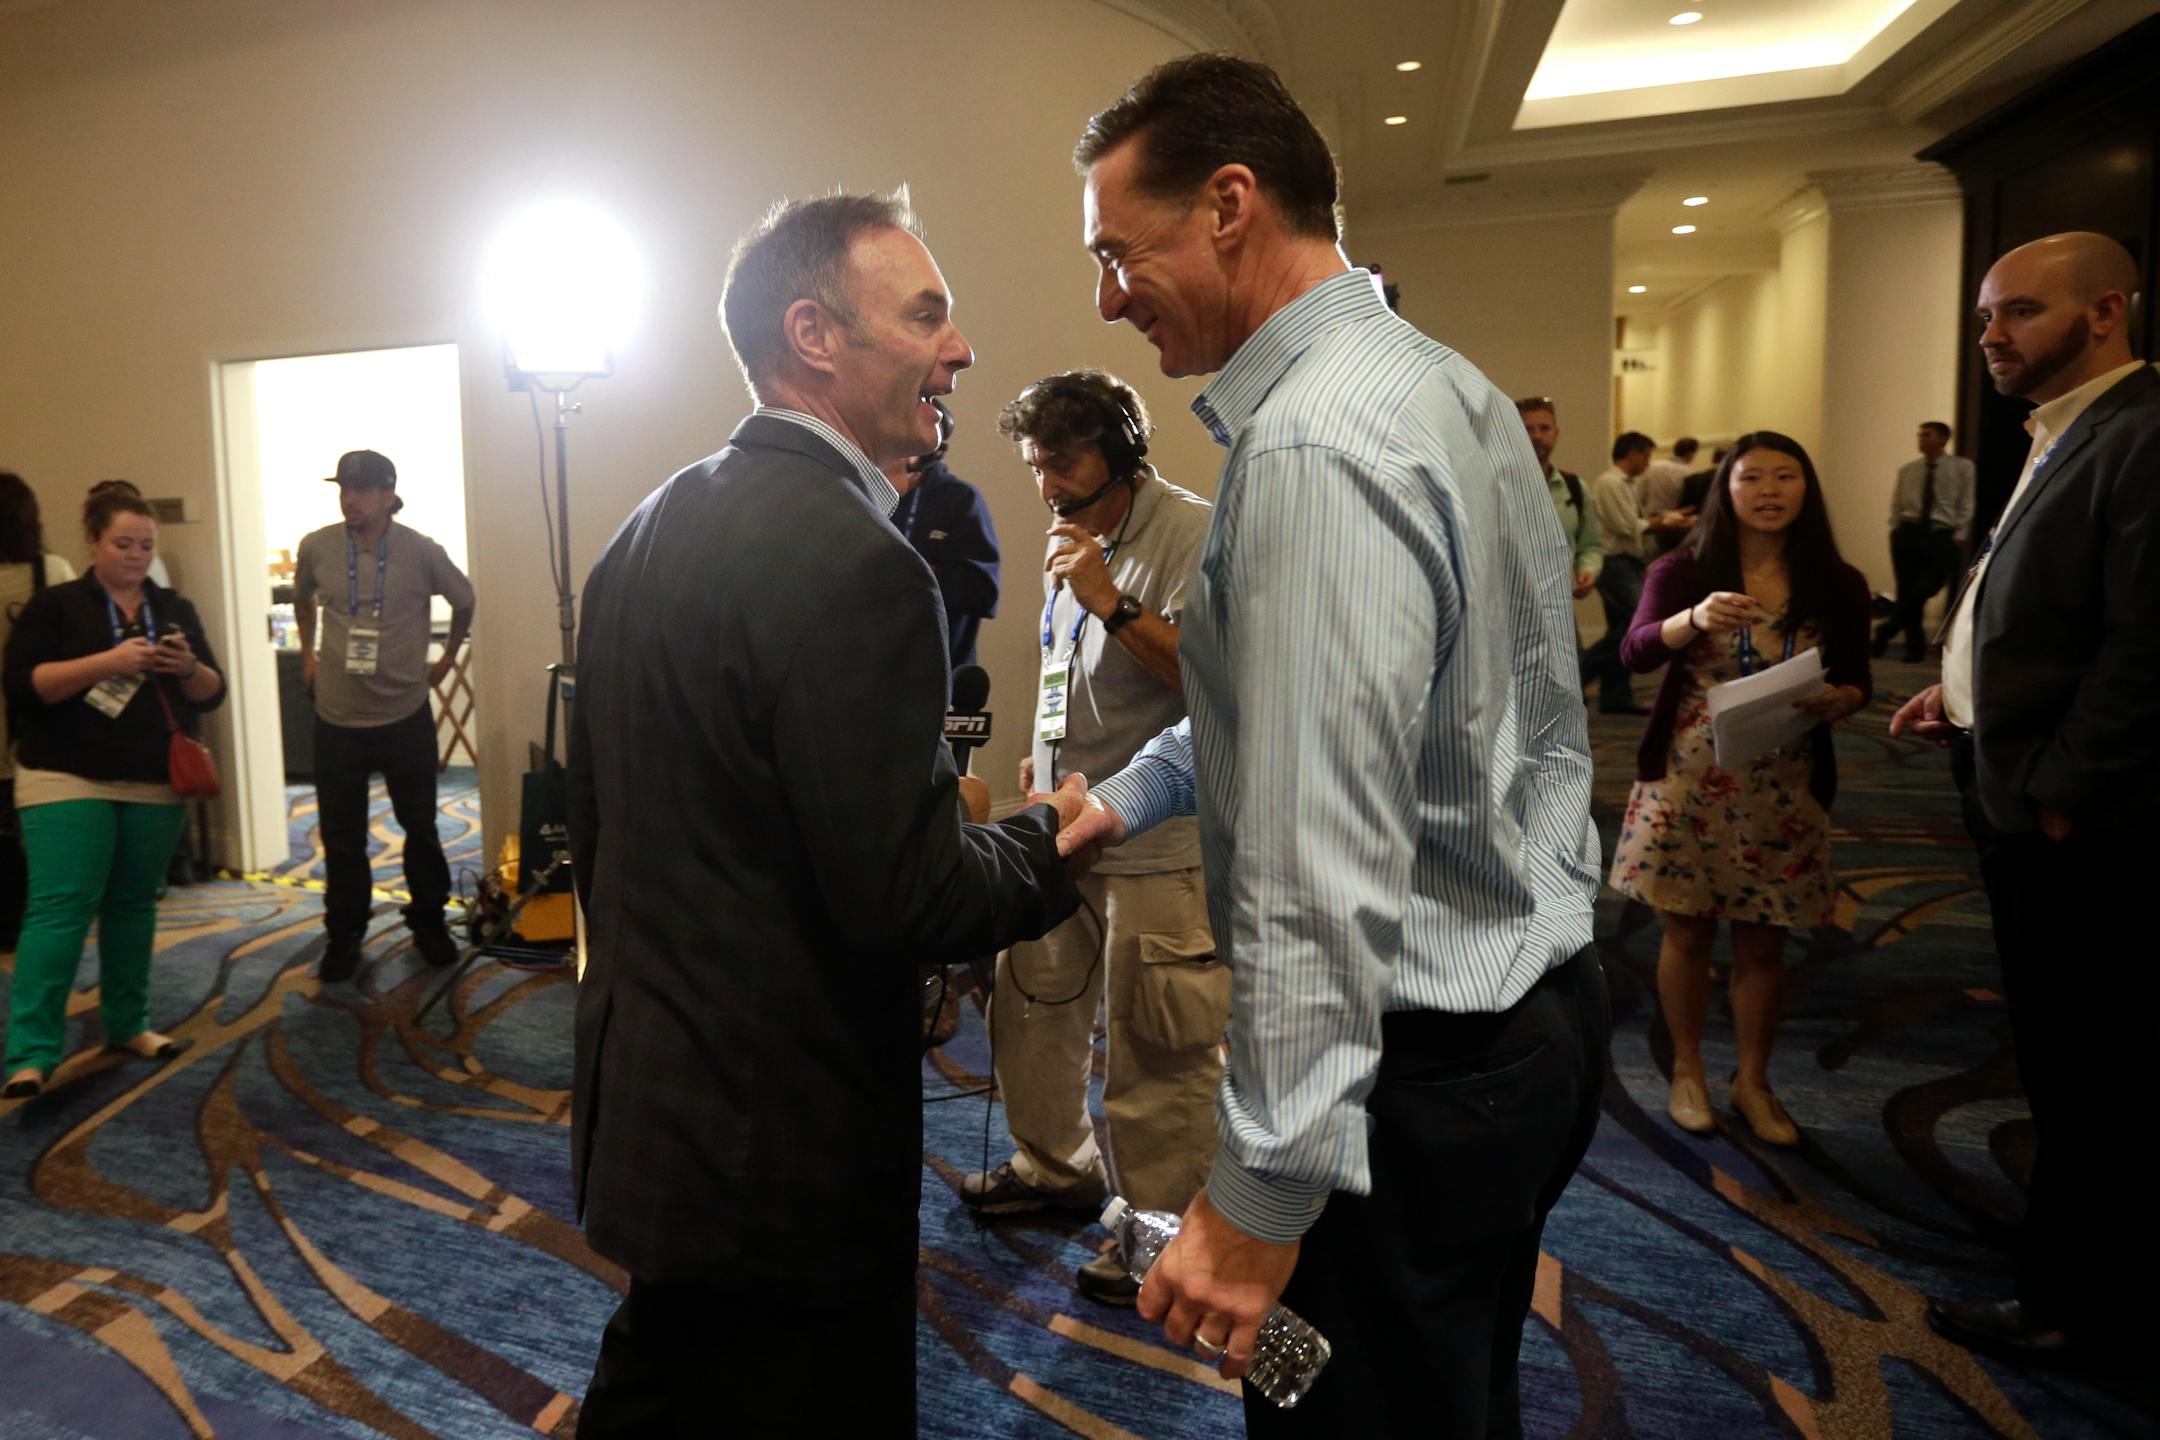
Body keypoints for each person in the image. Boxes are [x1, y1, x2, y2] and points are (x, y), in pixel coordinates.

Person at [1061, 54, 1610, 1437]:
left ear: (1229, 204)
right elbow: (1346, 714)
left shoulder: (1314, 448)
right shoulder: (1433, 383)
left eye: (1119, 252)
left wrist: (1259, 1194)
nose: (1108, 298)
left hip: (1404, 1075)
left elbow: (1322, 855)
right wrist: (1131, 795)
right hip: (1523, 1017)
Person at [567, 191, 1086, 1436]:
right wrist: (1054, 839)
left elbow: (616, 835)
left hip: (657, 1110)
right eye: (925, 316)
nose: (959, 349)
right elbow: (910, 897)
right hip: (784, 1150)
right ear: (812, 335)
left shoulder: (644, 529)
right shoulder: (863, 564)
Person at [1890, 231, 2160, 1364]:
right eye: (1986, 316)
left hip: (2077, 816)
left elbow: (2144, 643)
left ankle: (2077, 1303)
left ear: (2105, 312)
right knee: (2061, 1047)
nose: (1991, 335)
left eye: (2020, 312)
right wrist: (1960, 697)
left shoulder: (2141, 433)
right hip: (2016, 776)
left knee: (2090, 1058)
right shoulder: (2068, 429)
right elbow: (2041, 611)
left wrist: (2063, 789)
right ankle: (2079, 1260)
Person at [957, 369, 1225, 1310]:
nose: (1045, 487)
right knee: (1030, 1010)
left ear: (1122, 455)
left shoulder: (1192, 533)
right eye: (1035, 464)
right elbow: (1060, 667)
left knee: (1159, 1050)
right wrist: (1042, 756)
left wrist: (1112, 600)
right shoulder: (1070, 536)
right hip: (1060, 830)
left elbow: (1217, 688)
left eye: (1062, 464)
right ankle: (1054, 1167)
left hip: (1158, 842)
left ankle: (1165, 1233)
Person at [1607, 434, 1871, 1144]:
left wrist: (1842, 700)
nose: (1769, 491)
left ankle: (1752, 1080)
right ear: (1725, 489)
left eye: (1786, 477)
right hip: (1691, 774)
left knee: (1764, 939)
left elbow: (1857, 678)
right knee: (1687, 929)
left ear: (1807, 488)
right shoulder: (1683, 569)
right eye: (1751, 478)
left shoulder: (1837, 581)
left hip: (1783, 778)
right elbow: (1634, 651)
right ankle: (1687, 1070)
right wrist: (1692, 618)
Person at [2, 487, 223, 1099]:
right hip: (64, 775)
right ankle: (31, 1053)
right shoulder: (56, 605)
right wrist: (109, 662)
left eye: (146, 546)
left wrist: (187, 668)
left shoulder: (172, 608)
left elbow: (212, 692)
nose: (136, 556)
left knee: (132, 905)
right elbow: (25, 685)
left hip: (154, 779)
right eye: (123, 544)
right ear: (93, 542)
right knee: (60, 909)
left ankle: (129, 1025)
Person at [292, 450, 473, 979]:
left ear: (389, 495)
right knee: (341, 835)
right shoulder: (316, 546)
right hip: (337, 718)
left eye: (363, 489)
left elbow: (465, 600)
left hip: (403, 714)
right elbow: (301, 598)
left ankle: (429, 922)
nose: (351, 499)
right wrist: (307, 654)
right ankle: (345, 933)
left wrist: (446, 660)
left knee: (420, 827)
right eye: (344, 489)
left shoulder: (421, 551)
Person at [0, 473, 79, 949]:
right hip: (43, 723)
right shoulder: (53, 571)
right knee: (46, 827)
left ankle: (8, 921)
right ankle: (43, 913)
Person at [886, 399, 1001, 670]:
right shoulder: (867, 495)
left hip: (938, 671)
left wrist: (910, 573)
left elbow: (982, 592)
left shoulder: (960, 499)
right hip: (875, 670)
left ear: (929, 453)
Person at [1587, 431, 1693, 714]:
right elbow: (1626, 526)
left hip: (1627, 562)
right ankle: (1578, 674)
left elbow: (1635, 522)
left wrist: (1664, 519)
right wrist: (1664, 523)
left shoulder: (1627, 484)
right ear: (1632, 453)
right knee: (1635, 625)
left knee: (1621, 629)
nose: (1647, 462)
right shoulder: (1610, 483)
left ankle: (1615, 695)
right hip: (1615, 563)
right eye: (1646, 455)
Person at [1873, 421, 1975, 661]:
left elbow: (1966, 502)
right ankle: (1914, 648)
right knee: (1906, 590)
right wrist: (1895, 529)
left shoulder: (1962, 467)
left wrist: (1958, 536)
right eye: (1920, 435)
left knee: (1924, 588)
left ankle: (1886, 630)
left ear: (1943, 439)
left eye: (1927, 435)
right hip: (1908, 533)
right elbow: (1897, 503)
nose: (1921, 439)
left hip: (1941, 534)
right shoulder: (1908, 470)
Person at [1516, 397, 1602, 607]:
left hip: (1559, 608)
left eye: (1544, 428)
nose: (1537, 436)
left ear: (1555, 433)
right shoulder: (1495, 487)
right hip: (1509, 609)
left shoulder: (1574, 487)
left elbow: (1591, 545)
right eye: (1528, 429)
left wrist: (1587, 570)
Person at [1639, 436, 1700, 556]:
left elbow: (1641, 495)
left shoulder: (1652, 466)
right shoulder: (1690, 472)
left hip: (1650, 518)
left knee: (1650, 557)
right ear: (1691, 454)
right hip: (1674, 521)